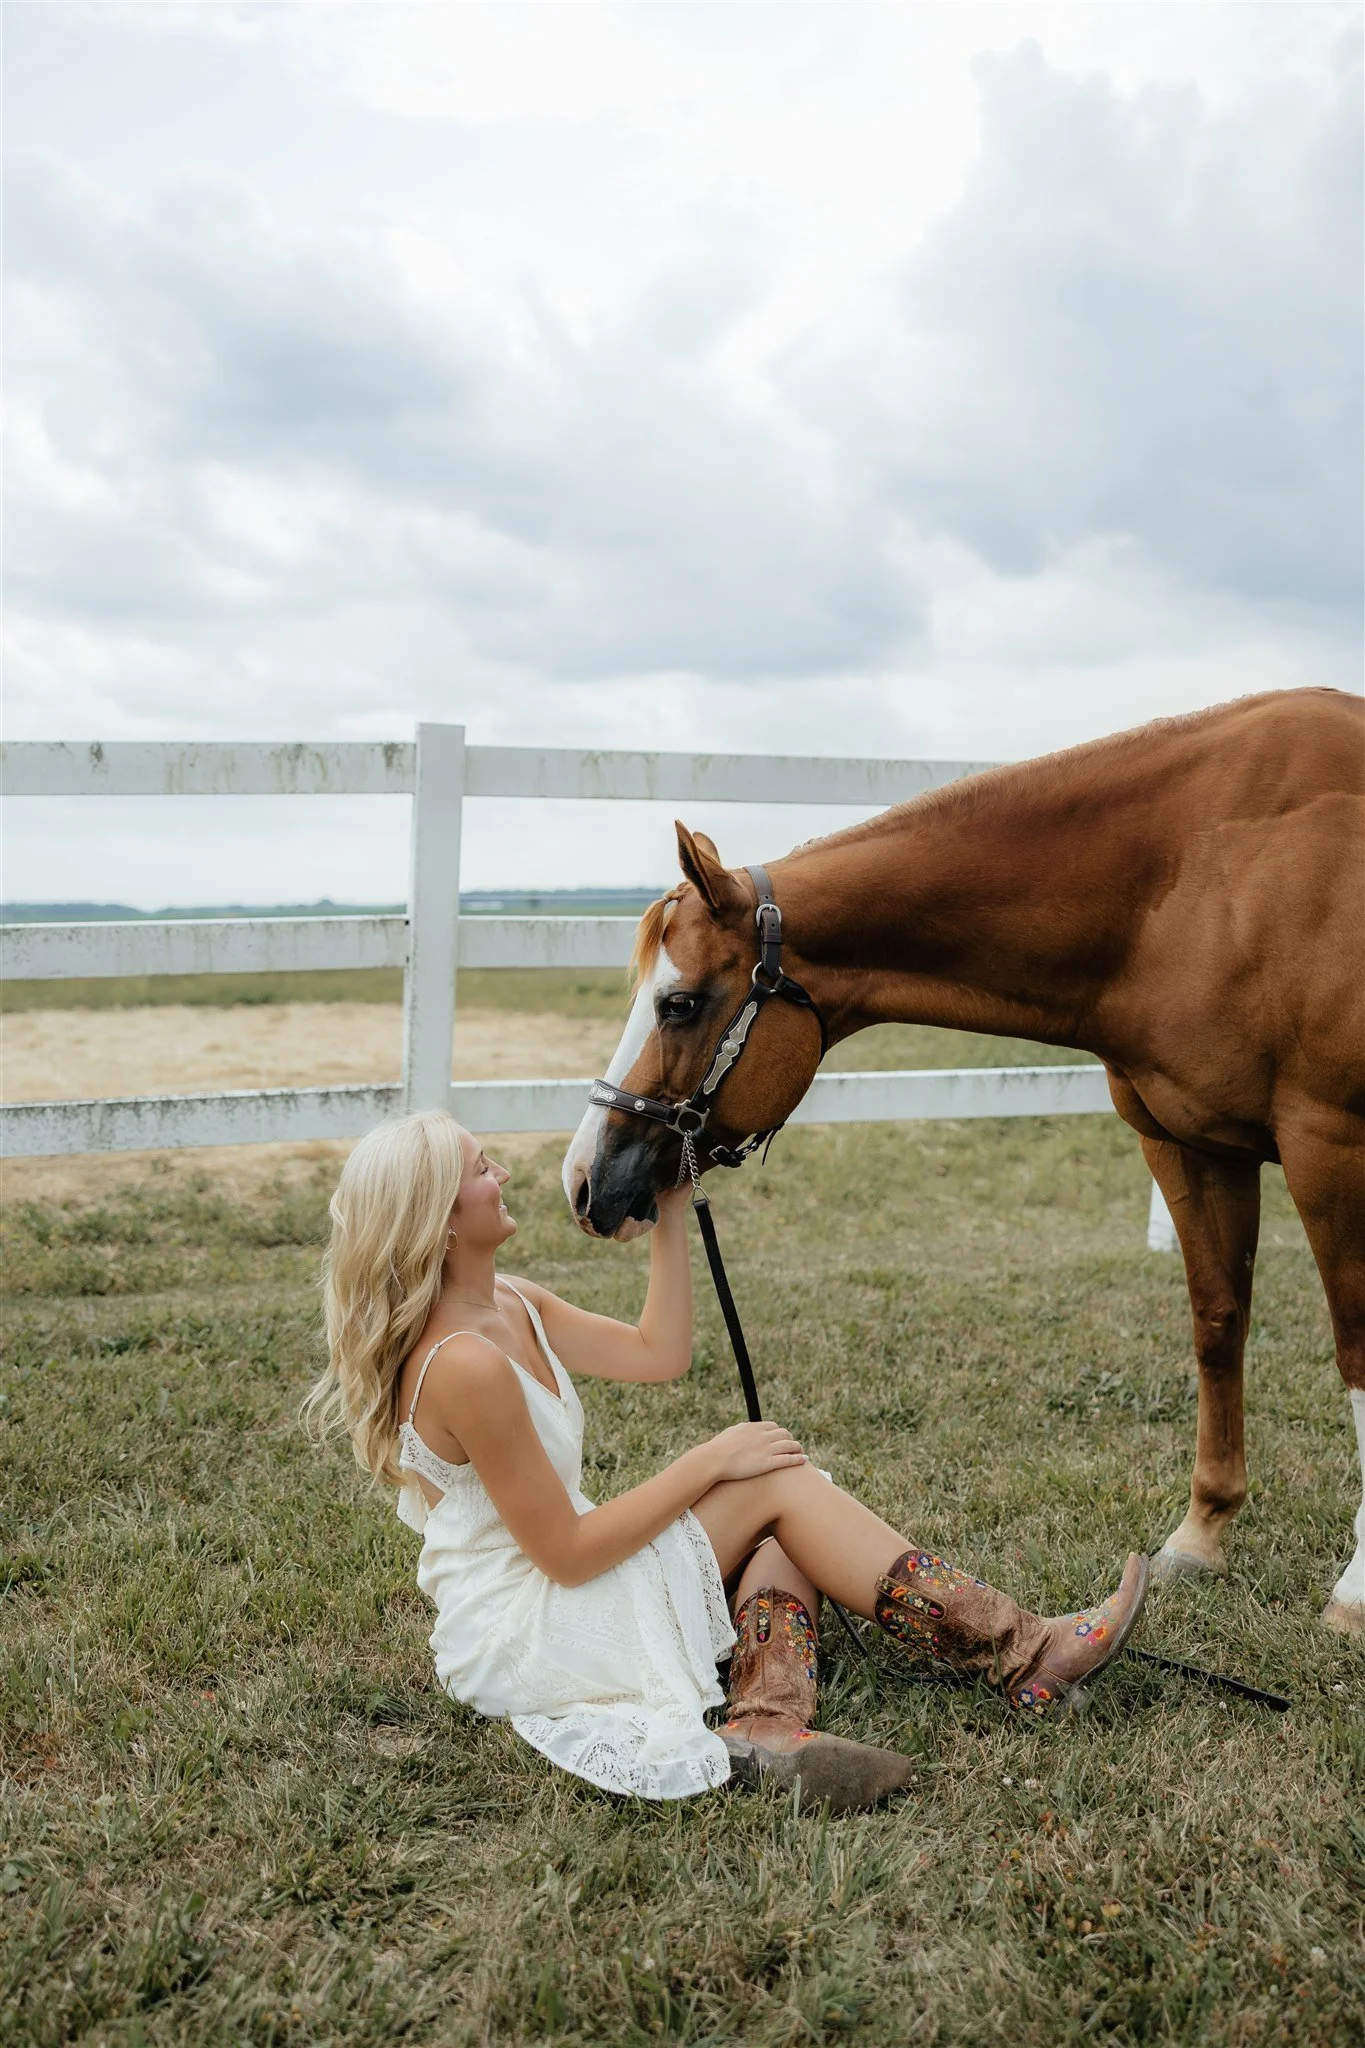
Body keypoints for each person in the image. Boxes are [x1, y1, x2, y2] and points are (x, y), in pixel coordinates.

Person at [304, 1110, 1149, 1808]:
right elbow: (563, 1554)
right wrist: (707, 1461)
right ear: (442, 1215)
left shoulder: (512, 1301)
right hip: (527, 1623)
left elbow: (656, 1350)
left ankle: (766, 1720)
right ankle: (1026, 1653)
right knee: (773, 1481)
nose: (506, 1176)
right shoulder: (465, 1365)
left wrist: (670, 1211)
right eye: (483, 1169)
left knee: (785, 1521)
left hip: (557, 1580)